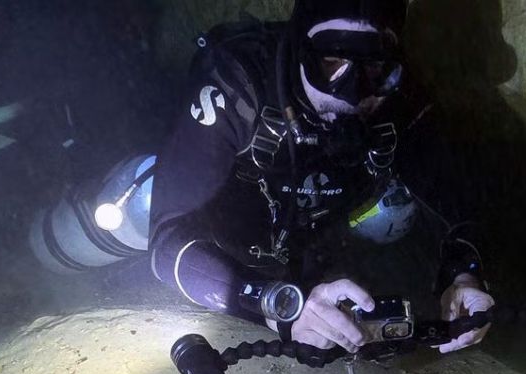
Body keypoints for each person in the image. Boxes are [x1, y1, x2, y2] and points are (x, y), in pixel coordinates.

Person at [145, 0, 495, 355]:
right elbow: (165, 240)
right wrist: (280, 306)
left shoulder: (403, 99)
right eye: (330, 63)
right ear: (299, 49)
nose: (352, 91)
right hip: (219, 229)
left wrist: (464, 273)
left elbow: (461, 198)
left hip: (317, 232)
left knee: (397, 210)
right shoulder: (237, 88)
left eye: (374, 66)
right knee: (134, 206)